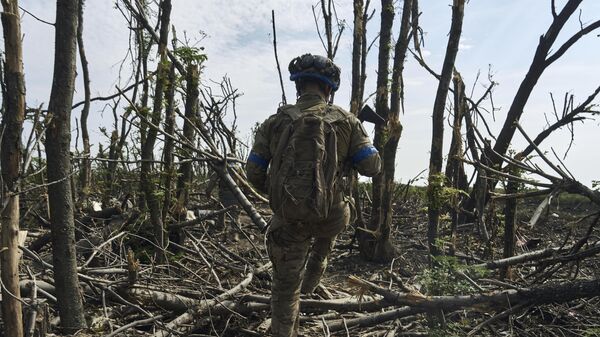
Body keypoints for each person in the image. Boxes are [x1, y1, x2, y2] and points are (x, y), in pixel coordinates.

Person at [246, 53, 381, 337]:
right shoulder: (348, 121)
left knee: (285, 289)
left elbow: (253, 172)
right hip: (331, 217)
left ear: (299, 86)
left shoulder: (274, 122)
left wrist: (280, 198)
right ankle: (318, 262)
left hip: (290, 220)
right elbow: (372, 167)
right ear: (329, 89)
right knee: (333, 218)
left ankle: (286, 327)